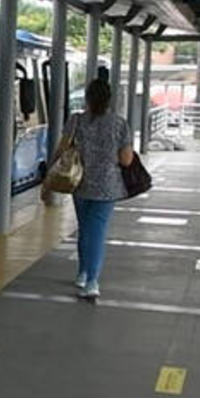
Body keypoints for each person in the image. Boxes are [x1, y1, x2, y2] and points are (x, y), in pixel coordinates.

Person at [60, 79, 133, 299]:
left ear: (87, 98)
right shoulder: (119, 124)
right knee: (97, 232)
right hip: (107, 187)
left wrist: (49, 177)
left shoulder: (76, 121)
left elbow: (63, 149)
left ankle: (83, 272)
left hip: (79, 182)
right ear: (109, 99)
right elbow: (127, 160)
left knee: (85, 228)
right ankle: (92, 281)